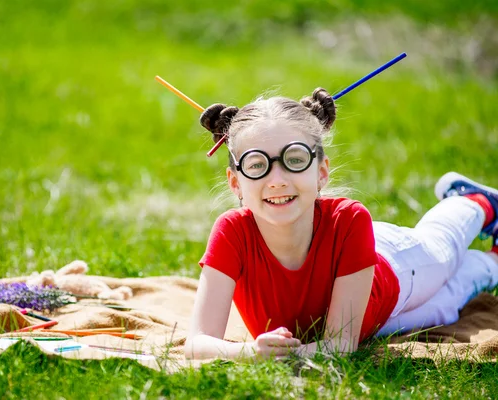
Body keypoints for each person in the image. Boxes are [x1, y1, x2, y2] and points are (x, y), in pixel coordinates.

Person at [184, 88, 498, 360]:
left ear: (321, 172)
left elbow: (339, 345)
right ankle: (492, 261)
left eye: (294, 160)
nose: (276, 181)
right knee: (445, 309)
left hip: (397, 270)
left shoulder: (348, 220)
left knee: (442, 248)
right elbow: (197, 343)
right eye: (257, 165)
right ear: (235, 183)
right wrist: (251, 353)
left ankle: (477, 202)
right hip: (370, 322)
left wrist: (274, 357)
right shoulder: (231, 232)